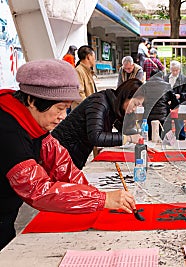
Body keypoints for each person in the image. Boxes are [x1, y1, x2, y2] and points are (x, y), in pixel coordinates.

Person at [0, 59, 136, 250]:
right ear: (31, 100)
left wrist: (91, 194)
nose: (63, 116)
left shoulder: (32, 120)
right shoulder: (8, 131)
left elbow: (59, 162)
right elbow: (38, 191)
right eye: (59, 108)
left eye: (66, 108)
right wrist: (101, 199)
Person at [52, 79, 145, 170]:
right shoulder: (99, 102)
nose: (134, 109)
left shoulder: (113, 105)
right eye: (135, 104)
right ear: (126, 96)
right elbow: (96, 137)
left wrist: (140, 143)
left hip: (74, 153)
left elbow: (123, 129)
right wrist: (129, 138)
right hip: (59, 152)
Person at [138, 69, 179, 139]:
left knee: (150, 138)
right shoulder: (167, 85)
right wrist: (169, 106)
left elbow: (141, 100)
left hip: (148, 117)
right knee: (164, 139)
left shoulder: (145, 86)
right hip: (164, 117)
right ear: (162, 77)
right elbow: (175, 102)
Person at [164, 60, 186, 140]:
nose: (175, 72)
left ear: (179, 70)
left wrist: (180, 95)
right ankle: (168, 137)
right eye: (173, 70)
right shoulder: (166, 77)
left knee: (179, 120)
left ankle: (181, 136)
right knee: (167, 120)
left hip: (179, 102)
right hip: (168, 102)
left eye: (176, 70)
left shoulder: (183, 79)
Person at [72, 45, 97, 109]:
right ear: (88, 57)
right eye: (94, 57)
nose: (95, 59)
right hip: (82, 111)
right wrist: (90, 107)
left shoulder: (88, 71)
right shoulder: (79, 71)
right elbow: (79, 93)